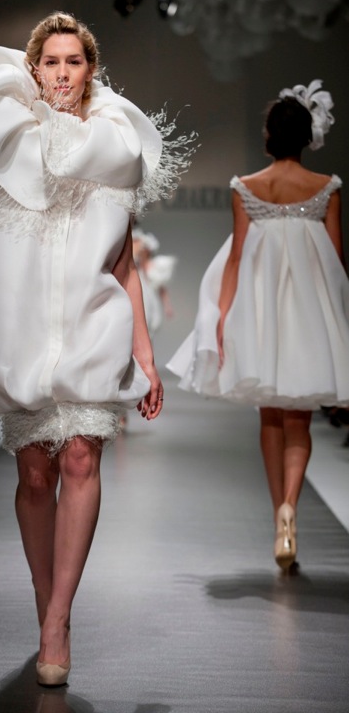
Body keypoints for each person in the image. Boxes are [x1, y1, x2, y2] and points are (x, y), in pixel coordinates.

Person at [0, 11, 196, 686]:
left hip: (91, 324)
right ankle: (44, 599)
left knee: (79, 457)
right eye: (50, 60)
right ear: (33, 68)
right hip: (19, 329)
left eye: (73, 61)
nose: (61, 72)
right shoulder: (2, 147)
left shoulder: (114, 150)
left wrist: (143, 352)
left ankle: (57, 621)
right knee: (33, 476)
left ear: (90, 70)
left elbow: (125, 263)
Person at [167, 79, 349, 573]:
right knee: (299, 419)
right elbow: (336, 260)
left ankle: (277, 518)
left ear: (269, 136)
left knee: (270, 416)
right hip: (308, 312)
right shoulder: (327, 188)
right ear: (308, 135)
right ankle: (291, 505)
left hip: (260, 310)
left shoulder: (246, 186)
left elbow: (236, 259)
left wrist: (222, 317)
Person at [132, 226, 177, 338]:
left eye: (145, 249)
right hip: (138, 296)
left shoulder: (154, 266)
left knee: (150, 322)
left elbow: (162, 289)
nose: (142, 251)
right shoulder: (135, 266)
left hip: (150, 298)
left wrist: (167, 306)